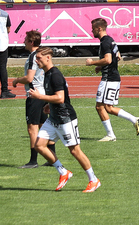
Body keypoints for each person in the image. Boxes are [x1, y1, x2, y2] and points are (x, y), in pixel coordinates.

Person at [30, 47, 101, 193]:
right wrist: (49, 106)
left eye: (39, 58)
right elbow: (57, 98)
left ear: (48, 58)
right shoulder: (47, 73)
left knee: (75, 151)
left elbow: (61, 98)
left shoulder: (55, 74)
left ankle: (94, 180)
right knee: (39, 145)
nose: (36, 61)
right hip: (53, 118)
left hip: (65, 119)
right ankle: (63, 172)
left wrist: (40, 98)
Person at [86, 18, 139, 141]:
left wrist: (92, 63)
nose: (91, 31)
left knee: (100, 107)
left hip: (108, 79)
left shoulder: (105, 42)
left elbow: (109, 60)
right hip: (113, 78)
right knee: (108, 108)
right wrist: (101, 66)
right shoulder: (111, 41)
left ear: (99, 29)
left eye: (93, 29)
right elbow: (118, 56)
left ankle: (111, 135)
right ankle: (134, 120)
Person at [11, 29, 55, 169]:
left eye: (25, 39)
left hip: (35, 95)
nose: (23, 41)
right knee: (44, 126)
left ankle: (33, 161)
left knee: (32, 128)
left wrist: (17, 80)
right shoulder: (43, 55)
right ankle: (52, 157)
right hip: (45, 94)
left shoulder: (33, 56)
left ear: (30, 42)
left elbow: (29, 78)